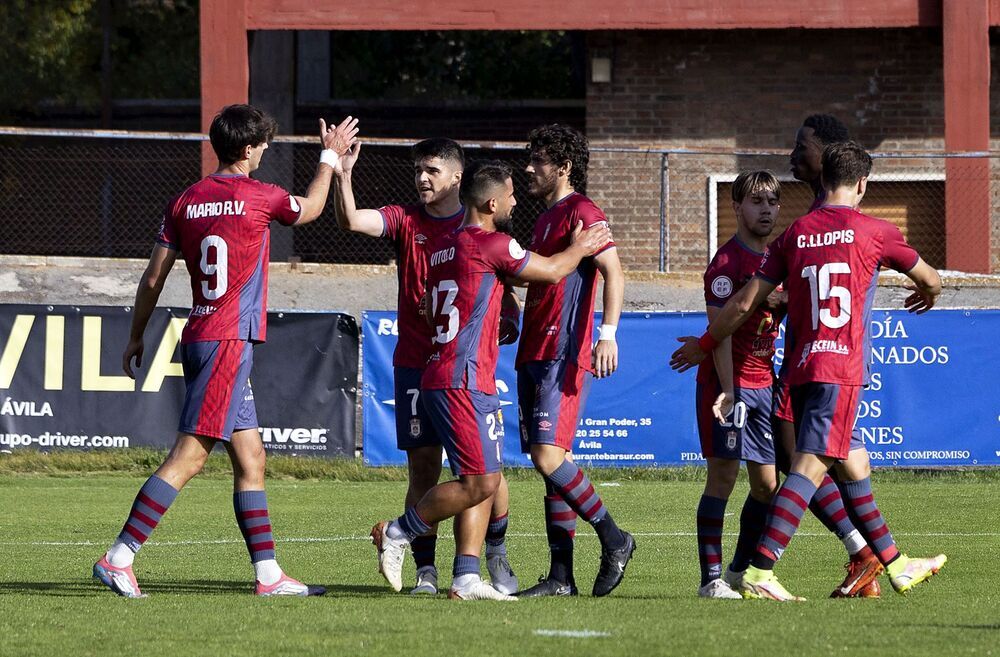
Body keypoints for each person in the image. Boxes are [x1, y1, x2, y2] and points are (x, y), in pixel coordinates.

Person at [92, 104, 359, 598]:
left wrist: (136, 335)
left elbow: (153, 277)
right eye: (263, 146)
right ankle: (119, 556)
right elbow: (312, 209)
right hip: (229, 340)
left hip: (199, 334)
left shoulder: (185, 200)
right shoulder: (261, 195)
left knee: (250, 458)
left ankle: (268, 574)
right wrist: (329, 156)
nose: (264, 154)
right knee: (189, 457)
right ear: (249, 149)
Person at [670, 141, 946, 601]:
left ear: (821, 181)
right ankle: (760, 569)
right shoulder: (875, 230)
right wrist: (931, 291)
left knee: (854, 462)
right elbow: (930, 277)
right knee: (808, 466)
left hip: (796, 371)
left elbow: (743, 304)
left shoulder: (795, 234)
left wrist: (704, 342)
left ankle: (892, 563)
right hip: (839, 366)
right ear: (862, 184)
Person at [370, 161, 612, 601]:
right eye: (511, 195)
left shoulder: (444, 246)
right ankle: (398, 531)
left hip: (446, 372)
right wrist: (579, 247)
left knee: (488, 475)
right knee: (480, 482)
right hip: (463, 379)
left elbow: (428, 307)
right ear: (492, 203)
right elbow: (555, 270)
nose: (517, 201)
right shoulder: (493, 243)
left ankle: (467, 575)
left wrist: (499, 306)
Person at [333, 138, 518, 595]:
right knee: (425, 469)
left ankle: (481, 562)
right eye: (418, 169)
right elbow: (352, 220)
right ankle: (426, 572)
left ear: (458, 177)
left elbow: (507, 280)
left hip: (463, 366)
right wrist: (342, 175)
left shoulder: (477, 224)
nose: (422, 178)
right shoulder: (405, 220)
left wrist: (511, 313)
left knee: (480, 471)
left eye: (432, 170)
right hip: (416, 362)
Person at [513, 124, 633, 598]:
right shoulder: (546, 218)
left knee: (548, 457)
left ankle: (615, 538)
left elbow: (614, 272)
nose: (528, 168)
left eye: (537, 160)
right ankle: (561, 577)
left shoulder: (583, 211)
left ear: (562, 167)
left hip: (563, 351)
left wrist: (608, 335)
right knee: (552, 462)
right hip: (534, 350)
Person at [693, 171, 782, 599]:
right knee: (723, 478)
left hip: (765, 381)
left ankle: (737, 571)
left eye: (772, 201)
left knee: (767, 485)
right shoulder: (726, 265)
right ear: (736, 207)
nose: (766, 209)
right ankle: (710, 581)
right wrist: (728, 390)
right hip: (728, 384)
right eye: (757, 201)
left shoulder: (779, 258)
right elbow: (720, 332)